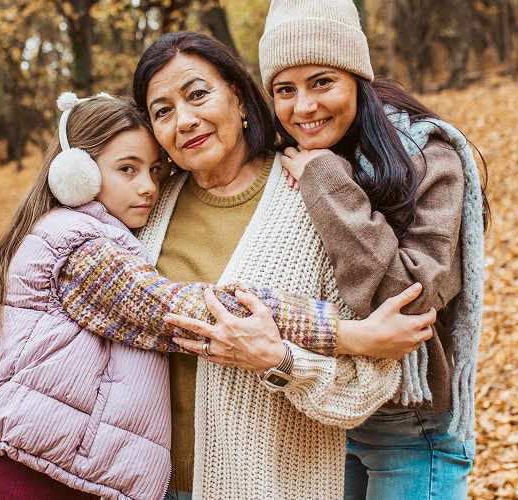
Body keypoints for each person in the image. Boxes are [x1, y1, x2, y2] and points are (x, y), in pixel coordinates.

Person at [0, 93, 428, 499]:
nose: (148, 186)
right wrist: (352, 334)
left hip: (69, 476)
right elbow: (183, 310)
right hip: (27, 485)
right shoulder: (79, 247)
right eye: (127, 169)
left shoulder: (104, 233)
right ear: (77, 176)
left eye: (155, 170)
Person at [131, 31, 438, 499]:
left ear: (238, 96)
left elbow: (370, 380)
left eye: (197, 94)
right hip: (144, 484)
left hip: (267, 485)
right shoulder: (144, 211)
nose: (185, 120)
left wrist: (281, 361)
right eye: (163, 111)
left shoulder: (311, 197)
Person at [258, 0, 490, 497]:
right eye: (285, 90)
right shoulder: (284, 162)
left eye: (322, 82)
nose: (303, 107)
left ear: (356, 79)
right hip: (327, 410)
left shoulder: (430, 156)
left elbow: (410, 299)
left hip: (413, 420)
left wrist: (325, 179)